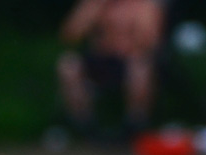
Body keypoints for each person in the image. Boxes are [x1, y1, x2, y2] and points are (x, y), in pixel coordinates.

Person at [56, 0, 166, 137]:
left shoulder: (145, 5)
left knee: (140, 67)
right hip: (100, 59)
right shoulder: (93, 4)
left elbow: (152, 41)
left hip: (130, 60)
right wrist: (93, 9)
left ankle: (135, 124)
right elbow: (70, 36)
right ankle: (84, 124)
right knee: (68, 65)